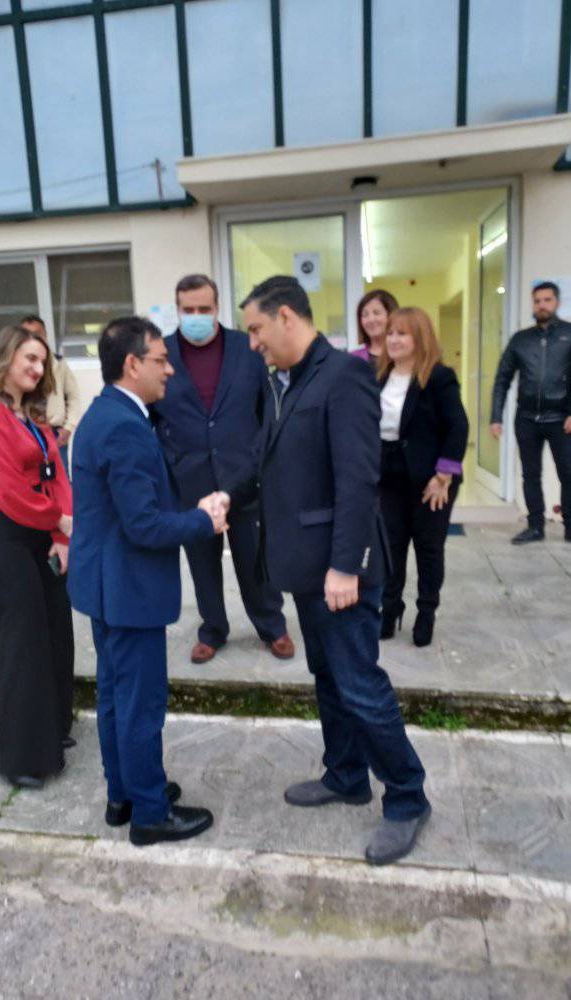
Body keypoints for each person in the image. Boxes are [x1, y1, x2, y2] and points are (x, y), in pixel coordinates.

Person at [216, 275, 431, 866]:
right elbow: (264, 459)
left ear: (287, 316)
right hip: (307, 570)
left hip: (339, 574)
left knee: (359, 683)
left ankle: (408, 796)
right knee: (330, 677)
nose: (252, 342)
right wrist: (228, 496)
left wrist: (345, 567)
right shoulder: (286, 381)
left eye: (256, 329)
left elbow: (358, 480)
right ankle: (346, 774)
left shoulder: (344, 376)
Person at [67, 316, 220, 846]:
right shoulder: (125, 427)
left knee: (115, 697)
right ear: (132, 364)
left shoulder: (105, 414)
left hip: (106, 587)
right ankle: (150, 813)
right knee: (140, 705)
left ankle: (125, 794)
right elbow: (145, 526)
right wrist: (203, 520)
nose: (170, 369)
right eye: (161, 360)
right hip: (128, 589)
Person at [153, 273, 293, 665]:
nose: (196, 316)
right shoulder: (161, 354)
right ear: (177, 310)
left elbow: (267, 412)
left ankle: (272, 625)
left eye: (204, 308)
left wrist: (261, 463)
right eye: (189, 309)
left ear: (217, 308)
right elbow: (151, 415)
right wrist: (170, 462)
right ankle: (213, 629)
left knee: (255, 559)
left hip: (244, 478)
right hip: (190, 481)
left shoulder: (247, 349)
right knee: (202, 563)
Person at [0, 325, 74, 789]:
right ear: (5, 357)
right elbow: (6, 487)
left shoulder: (32, 415)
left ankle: (52, 730)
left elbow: (56, 475)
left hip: (41, 531)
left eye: (42, 361)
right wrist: (56, 518)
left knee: (56, 630)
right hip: (1, 534)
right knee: (20, 642)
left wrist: (61, 533)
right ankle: (20, 757)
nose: (38, 367)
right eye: (29, 358)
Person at [376, 307, 469, 648]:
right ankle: (389, 608)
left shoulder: (438, 377)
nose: (393, 340)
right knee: (391, 546)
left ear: (419, 337)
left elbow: (458, 427)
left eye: (402, 333)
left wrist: (443, 475)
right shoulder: (379, 376)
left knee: (428, 548)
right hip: (388, 476)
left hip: (431, 479)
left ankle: (426, 612)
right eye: (390, 333)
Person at [490, 281, 571, 547]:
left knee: (569, 475)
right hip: (526, 419)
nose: (541, 305)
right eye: (537, 300)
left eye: (547, 300)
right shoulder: (520, 340)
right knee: (530, 475)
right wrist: (496, 417)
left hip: (563, 419)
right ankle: (535, 526)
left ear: (557, 302)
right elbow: (502, 379)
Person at [20, 314, 81, 477]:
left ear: (45, 336)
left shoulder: (58, 363)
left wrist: (68, 428)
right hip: (26, 433)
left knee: (60, 480)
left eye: (37, 334)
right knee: (32, 480)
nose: (32, 339)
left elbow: (73, 397)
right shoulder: (16, 367)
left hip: (55, 434)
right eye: (27, 335)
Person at [350, 289, 399, 369]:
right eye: (365, 315)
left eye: (376, 313)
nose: (371, 320)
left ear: (391, 315)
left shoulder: (406, 355)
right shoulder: (353, 359)